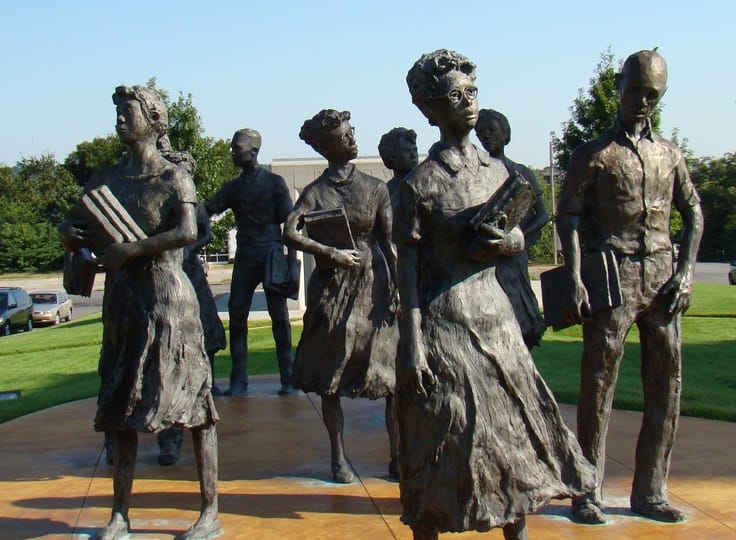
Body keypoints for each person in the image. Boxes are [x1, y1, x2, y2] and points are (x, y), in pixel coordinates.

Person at [394, 49, 596, 540]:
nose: (467, 104)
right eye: (453, 96)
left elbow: (521, 233)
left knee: (512, 441)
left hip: (498, 320)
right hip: (445, 325)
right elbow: (407, 268)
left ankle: (516, 530)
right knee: (443, 438)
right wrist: (412, 342)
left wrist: (512, 241)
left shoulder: (502, 172)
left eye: (472, 93)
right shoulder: (418, 185)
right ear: (429, 110)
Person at [59, 85, 220, 540]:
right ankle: (119, 515)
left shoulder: (174, 178)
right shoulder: (104, 179)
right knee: (121, 406)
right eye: (118, 112)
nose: (120, 119)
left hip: (170, 301)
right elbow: (78, 224)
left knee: (196, 407)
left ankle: (210, 512)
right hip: (123, 305)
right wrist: (68, 233)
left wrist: (131, 249)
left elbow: (187, 232)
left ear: (153, 119)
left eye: (128, 112)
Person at [556, 49, 704, 524]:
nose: (643, 101)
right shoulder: (592, 155)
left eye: (652, 94)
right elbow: (570, 216)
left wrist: (686, 273)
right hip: (612, 277)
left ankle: (651, 491)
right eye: (636, 90)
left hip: (663, 281)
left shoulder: (670, 154)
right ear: (618, 86)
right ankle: (586, 491)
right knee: (598, 385)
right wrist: (576, 276)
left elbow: (694, 215)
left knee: (667, 387)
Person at [284, 109, 399, 483]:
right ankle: (339, 457)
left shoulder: (376, 187)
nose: (352, 139)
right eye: (344, 136)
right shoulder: (315, 192)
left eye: (352, 132)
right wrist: (329, 252)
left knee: (389, 377)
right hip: (332, 290)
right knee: (330, 377)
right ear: (327, 146)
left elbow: (389, 242)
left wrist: (397, 287)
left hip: (374, 286)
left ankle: (398, 456)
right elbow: (290, 231)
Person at [206, 128, 297, 396]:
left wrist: (292, 265)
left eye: (238, 147)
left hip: (271, 253)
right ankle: (238, 380)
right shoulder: (232, 188)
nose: (233, 152)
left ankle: (288, 378)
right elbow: (206, 210)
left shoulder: (274, 183)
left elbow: (290, 227)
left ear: (254, 151)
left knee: (279, 318)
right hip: (246, 255)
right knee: (236, 315)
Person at [474, 108, 547, 349]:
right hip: (488, 260)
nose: (486, 136)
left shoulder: (521, 171)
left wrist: (518, 239)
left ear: (505, 133)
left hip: (515, 259)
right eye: (480, 132)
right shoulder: (476, 174)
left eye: (491, 131)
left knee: (523, 321)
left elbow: (542, 215)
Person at [378, 127, 419, 208]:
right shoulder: (385, 195)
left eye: (415, 150)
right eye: (407, 151)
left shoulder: (429, 186)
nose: (413, 155)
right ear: (392, 158)